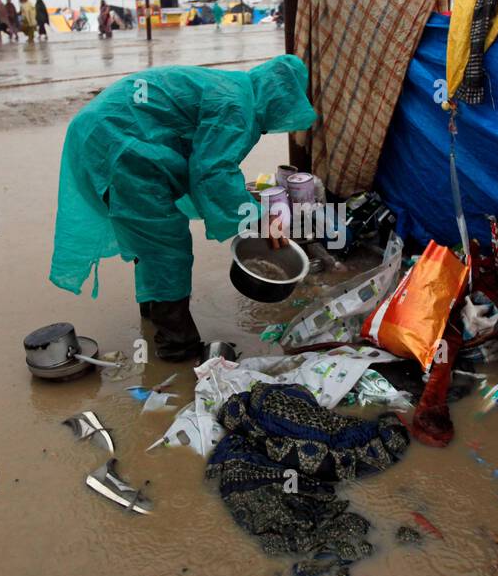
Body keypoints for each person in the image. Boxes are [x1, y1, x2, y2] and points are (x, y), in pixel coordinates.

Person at [49, 54, 316, 362]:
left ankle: (154, 310)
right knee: (166, 244)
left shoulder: (236, 88)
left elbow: (207, 161)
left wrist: (247, 206)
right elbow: (212, 171)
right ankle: (178, 345)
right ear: (278, 99)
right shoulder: (238, 106)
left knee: (150, 236)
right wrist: (258, 217)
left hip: (104, 133)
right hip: (121, 144)